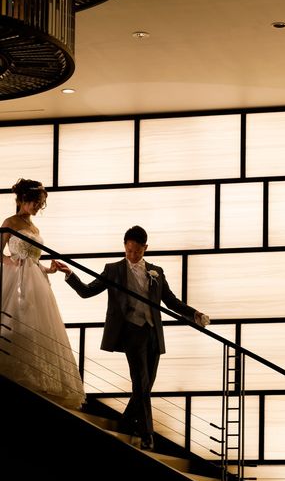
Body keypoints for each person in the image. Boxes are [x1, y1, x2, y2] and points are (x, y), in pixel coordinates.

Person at [55, 225, 210, 451]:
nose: (133, 255)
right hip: (131, 333)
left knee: (144, 387)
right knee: (141, 383)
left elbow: (171, 302)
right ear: (124, 247)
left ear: (145, 248)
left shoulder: (156, 272)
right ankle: (147, 435)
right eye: (129, 251)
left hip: (153, 334)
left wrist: (195, 315)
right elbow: (87, 291)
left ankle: (125, 424)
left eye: (137, 251)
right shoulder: (113, 269)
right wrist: (70, 274)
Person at [0, 178, 86, 409]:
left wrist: (49, 269)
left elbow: (34, 260)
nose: (39, 207)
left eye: (41, 204)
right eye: (36, 203)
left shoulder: (35, 228)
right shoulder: (10, 222)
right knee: (15, 322)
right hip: (16, 279)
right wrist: (10, 261)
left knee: (38, 326)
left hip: (37, 281)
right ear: (23, 199)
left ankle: (39, 381)